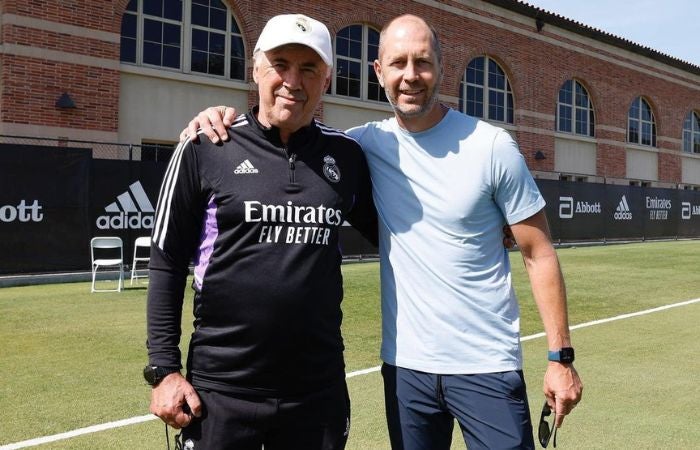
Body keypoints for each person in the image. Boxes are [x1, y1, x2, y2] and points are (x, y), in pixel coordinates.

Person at [182, 14, 583, 450]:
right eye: (398, 63)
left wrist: (560, 358)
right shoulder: (360, 147)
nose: (411, 76)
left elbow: (538, 253)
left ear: (441, 69)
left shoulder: (492, 146)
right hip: (405, 368)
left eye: (423, 62)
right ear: (379, 72)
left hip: (485, 365)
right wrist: (214, 115)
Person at [145, 13, 377, 450]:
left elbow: (398, 236)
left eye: (309, 68)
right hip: (222, 390)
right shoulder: (206, 145)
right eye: (280, 64)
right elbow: (167, 259)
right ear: (256, 70)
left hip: (317, 392)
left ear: (326, 79)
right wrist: (164, 370)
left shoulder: (347, 157)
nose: (293, 80)